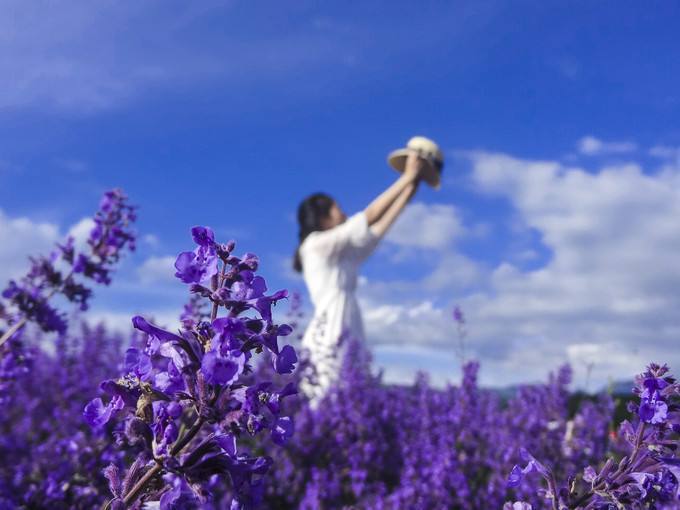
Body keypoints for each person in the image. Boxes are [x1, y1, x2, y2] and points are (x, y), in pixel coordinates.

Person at [293, 150, 432, 402]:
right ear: (322, 218)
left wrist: (412, 186)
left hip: (347, 320)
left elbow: (377, 230)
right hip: (331, 326)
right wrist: (406, 176)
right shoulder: (314, 245)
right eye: (336, 208)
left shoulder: (341, 256)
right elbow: (369, 217)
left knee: (352, 397)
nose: (343, 211)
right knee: (331, 394)